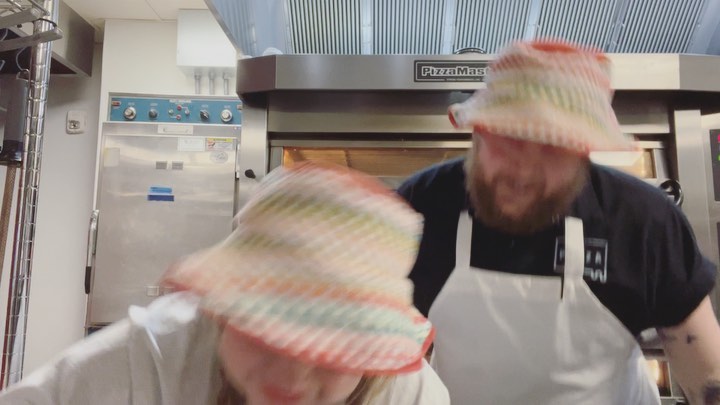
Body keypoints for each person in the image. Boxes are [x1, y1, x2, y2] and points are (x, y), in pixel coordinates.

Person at [397, 39, 720, 404]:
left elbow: (707, 376)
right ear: (477, 132)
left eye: (552, 148)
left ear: (583, 153)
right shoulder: (421, 208)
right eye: (507, 139)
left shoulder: (644, 221)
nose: (523, 173)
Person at [0, 163, 449, 405]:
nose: (291, 376)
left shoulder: (409, 396)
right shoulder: (148, 362)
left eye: (330, 349)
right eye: (267, 330)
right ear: (221, 309)